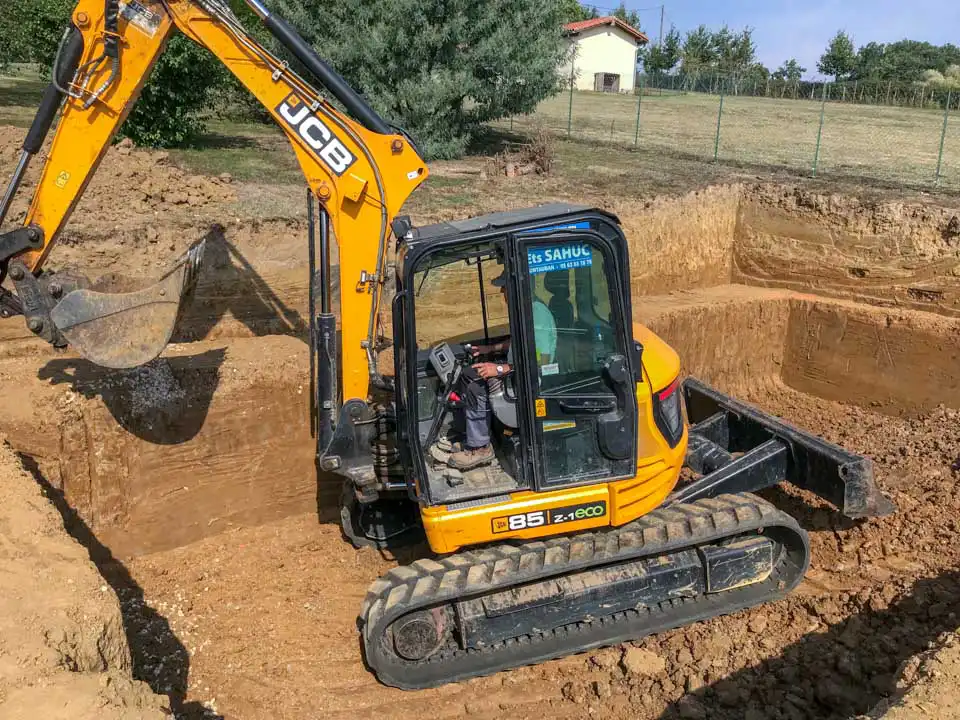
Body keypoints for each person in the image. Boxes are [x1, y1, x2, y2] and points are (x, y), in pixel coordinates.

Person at [446, 270, 557, 471]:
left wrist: (499, 368)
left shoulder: (538, 315)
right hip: (517, 373)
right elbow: (516, 344)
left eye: (504, 288)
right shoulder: (528, 310)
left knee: (475, 387)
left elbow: (540, 363)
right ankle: (472, 434)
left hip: (528, 384)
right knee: (469, 373)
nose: (502, 293)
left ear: (516, 289)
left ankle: (480, 447)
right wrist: (489, 350)